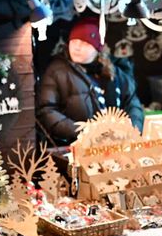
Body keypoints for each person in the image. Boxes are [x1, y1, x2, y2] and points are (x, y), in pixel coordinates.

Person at [36, 15, 144, 145]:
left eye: (85, 43)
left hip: (116, 145)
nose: (77, 47)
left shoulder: (115, 72)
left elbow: (133, 104)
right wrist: (85, 132)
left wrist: (132, 130)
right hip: (75, 145)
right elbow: (47, 111)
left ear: (97, 49)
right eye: (74, 42)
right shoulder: (56, 71)